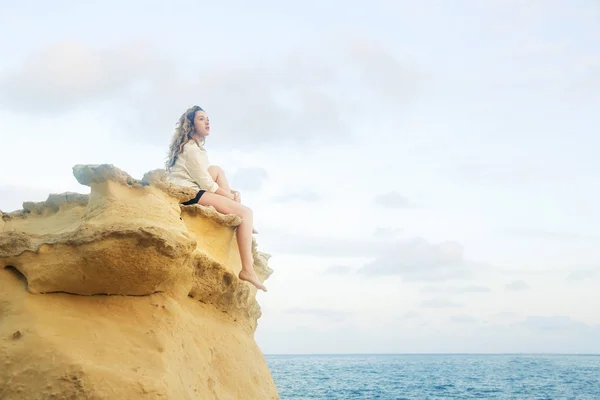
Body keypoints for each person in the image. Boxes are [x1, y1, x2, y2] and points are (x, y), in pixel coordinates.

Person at [166, 105, 267, 292]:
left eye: (207, 119)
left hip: (192, 187)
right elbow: (205, 184)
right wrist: (229, 196)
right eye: (201, 119)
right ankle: (247, 269)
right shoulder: (191, 149)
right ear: (191, 124)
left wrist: (229, 193)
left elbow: (207, 177)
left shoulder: (196, 148)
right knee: (246, 212)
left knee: (217, 170)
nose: (207, 122)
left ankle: (236, 212)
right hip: (188, 194)